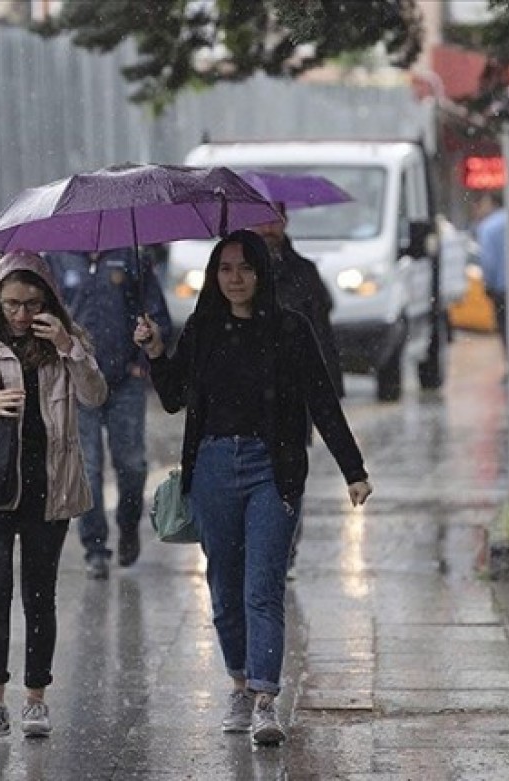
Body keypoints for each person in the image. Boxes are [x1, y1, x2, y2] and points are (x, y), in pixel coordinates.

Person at [133, 229, 372, 746]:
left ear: (261, 274)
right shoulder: (202, 329)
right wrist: (155, 351)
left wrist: (353, 470)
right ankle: (239, 684)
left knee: (262, 586)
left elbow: (323, 403)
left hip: (273, 469)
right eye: (225, 269)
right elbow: (174, 397)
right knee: (224, 587)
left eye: (244, 268)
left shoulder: (291, 329)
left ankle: (265, 699)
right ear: (214, 276)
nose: (235, 279)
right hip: (214, 467)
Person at [0, 250, 108, 740]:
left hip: (48, 487)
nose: (21, 314)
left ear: (49, 301)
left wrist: (70, 346)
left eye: (32, 303)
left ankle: (35, 699)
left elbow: (96, 396)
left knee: (39, 593)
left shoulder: (67, 343)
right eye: (12, 303)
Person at [46, 248, 173, 580]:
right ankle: (95, 547)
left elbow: (159, 317)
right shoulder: (58, 259)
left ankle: (128, 524)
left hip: (124, 381)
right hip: (79, 381)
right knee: (87, 468)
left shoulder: (132, 256)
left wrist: (141, 360)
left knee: (132, 464)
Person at [253, 205, 345, 576]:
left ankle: (285, 547)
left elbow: (322, 333)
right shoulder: (239, 274)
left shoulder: (303, 273)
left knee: (289, 472)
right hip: (249, 395)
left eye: (275, 218)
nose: (268, 227)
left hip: (293, 395)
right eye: (262, 219)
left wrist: (327, 389)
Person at [472, 190, 508, 351]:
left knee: (506, 328)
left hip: (501, 290)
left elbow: (488, 262)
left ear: (491, 203)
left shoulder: (487, 228)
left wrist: (489, 285)